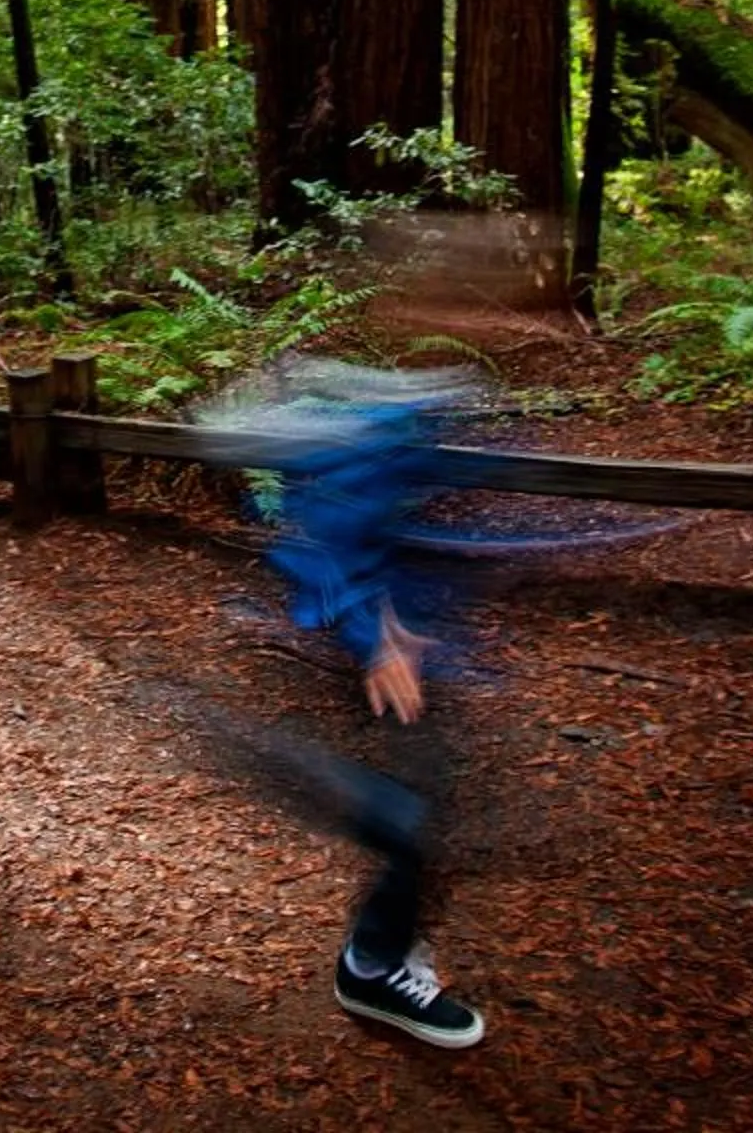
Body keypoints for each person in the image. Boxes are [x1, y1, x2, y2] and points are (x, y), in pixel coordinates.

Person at [215, 360, 489, 1050]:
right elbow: (317, 540)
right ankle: (371, 965)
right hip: (345, 655)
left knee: (429, 811)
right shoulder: (352, 437)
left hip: (389, 645)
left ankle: (382, 948)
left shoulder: (397, 417)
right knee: (409, 817)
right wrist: (374, 633)